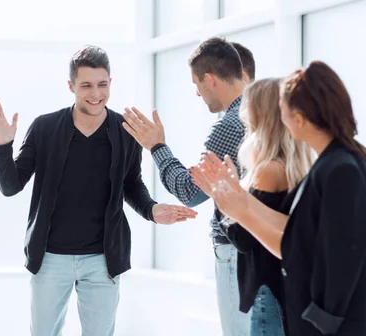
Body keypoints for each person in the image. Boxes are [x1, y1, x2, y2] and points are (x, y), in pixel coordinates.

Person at [0, 44, 197, 336]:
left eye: (102, 84)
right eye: (86, 85)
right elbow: (11, 186)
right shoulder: (45, 128)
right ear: (71, 85)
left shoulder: (125, 130)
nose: (95, 94)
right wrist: (2, 147)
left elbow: (131, 184)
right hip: (50, 258)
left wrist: (151, 210)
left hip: (102, 260)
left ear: (111, 83)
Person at [191, 61, 366, 335]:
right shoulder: (332, 163)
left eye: (284, 111)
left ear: (300, 117)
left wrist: (324, 319)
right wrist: (237, 200)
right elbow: (298, 236)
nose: (281, 120)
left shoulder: (340, 168)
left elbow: (339, 254)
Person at [121, 37, 250, 335]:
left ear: (210, 79)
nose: (197, 93)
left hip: (235, 250)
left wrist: (156, 146)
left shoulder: (230, 125)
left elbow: (189, 191)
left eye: (196, 84)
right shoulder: (264, 113)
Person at [216, 78, 313, 335]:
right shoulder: (299, 166)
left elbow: (244, 239)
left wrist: (222, 197)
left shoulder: (268, 170)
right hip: (288, 290)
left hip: (267, 289)